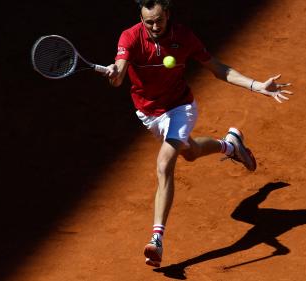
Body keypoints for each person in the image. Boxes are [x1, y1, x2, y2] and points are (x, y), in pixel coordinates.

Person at [104, 0, 292, 267]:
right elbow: (120, 71)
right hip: (149, 113)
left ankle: (156, 239)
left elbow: (218, 69)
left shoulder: (183, 36)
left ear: (167, 14)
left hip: (180, 107)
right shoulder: (130, 36)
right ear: (141, 18)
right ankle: (230, 145)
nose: (155, 26)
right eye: (149, 22)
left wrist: (256, 85)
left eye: (159, 19)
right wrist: (115, 73)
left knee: (164, 163)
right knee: (190, 153)